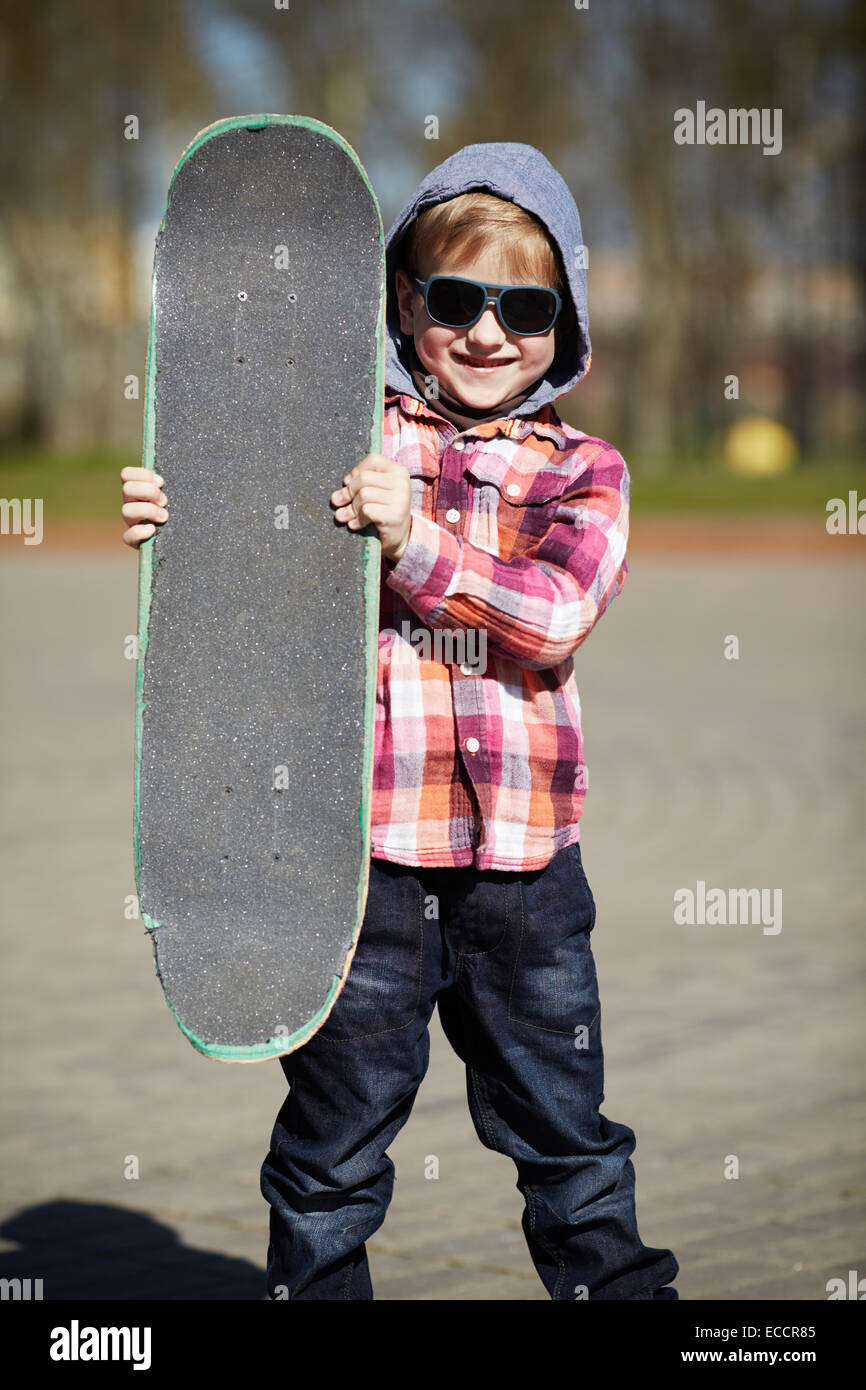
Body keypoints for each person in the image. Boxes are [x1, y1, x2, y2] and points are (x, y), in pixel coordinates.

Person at [120, 141, 679, 1302]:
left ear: (561, 324)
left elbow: (555, 615)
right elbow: (251, 550)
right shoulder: (348, 435)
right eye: (455, 299)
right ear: (401, 302)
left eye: (522, 308)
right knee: (331, 1155)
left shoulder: (584, 472)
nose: (485, 332)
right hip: (363, 869)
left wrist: (413, 540)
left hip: (524, 885)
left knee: (569, 1150)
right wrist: (189, 504)